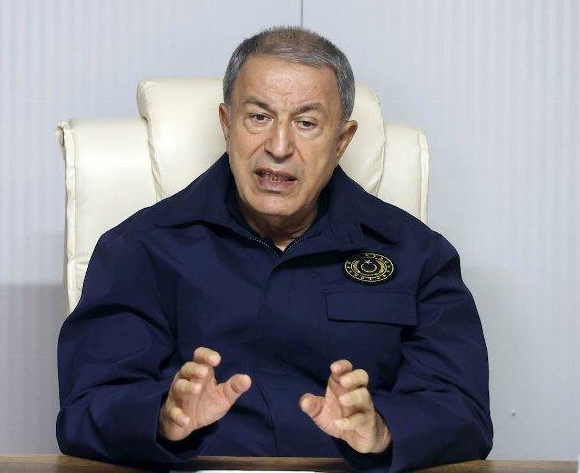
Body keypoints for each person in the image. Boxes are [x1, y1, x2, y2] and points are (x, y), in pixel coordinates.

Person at [56, 25, 492, 472]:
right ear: (227, 124)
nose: (279, 147)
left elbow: (464, 413)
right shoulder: (139, 249)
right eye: (259, 117)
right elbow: (86, 408)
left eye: (306, 123)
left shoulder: (417, 255)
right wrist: (164, 418)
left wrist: (381, 430)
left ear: (342, 141)